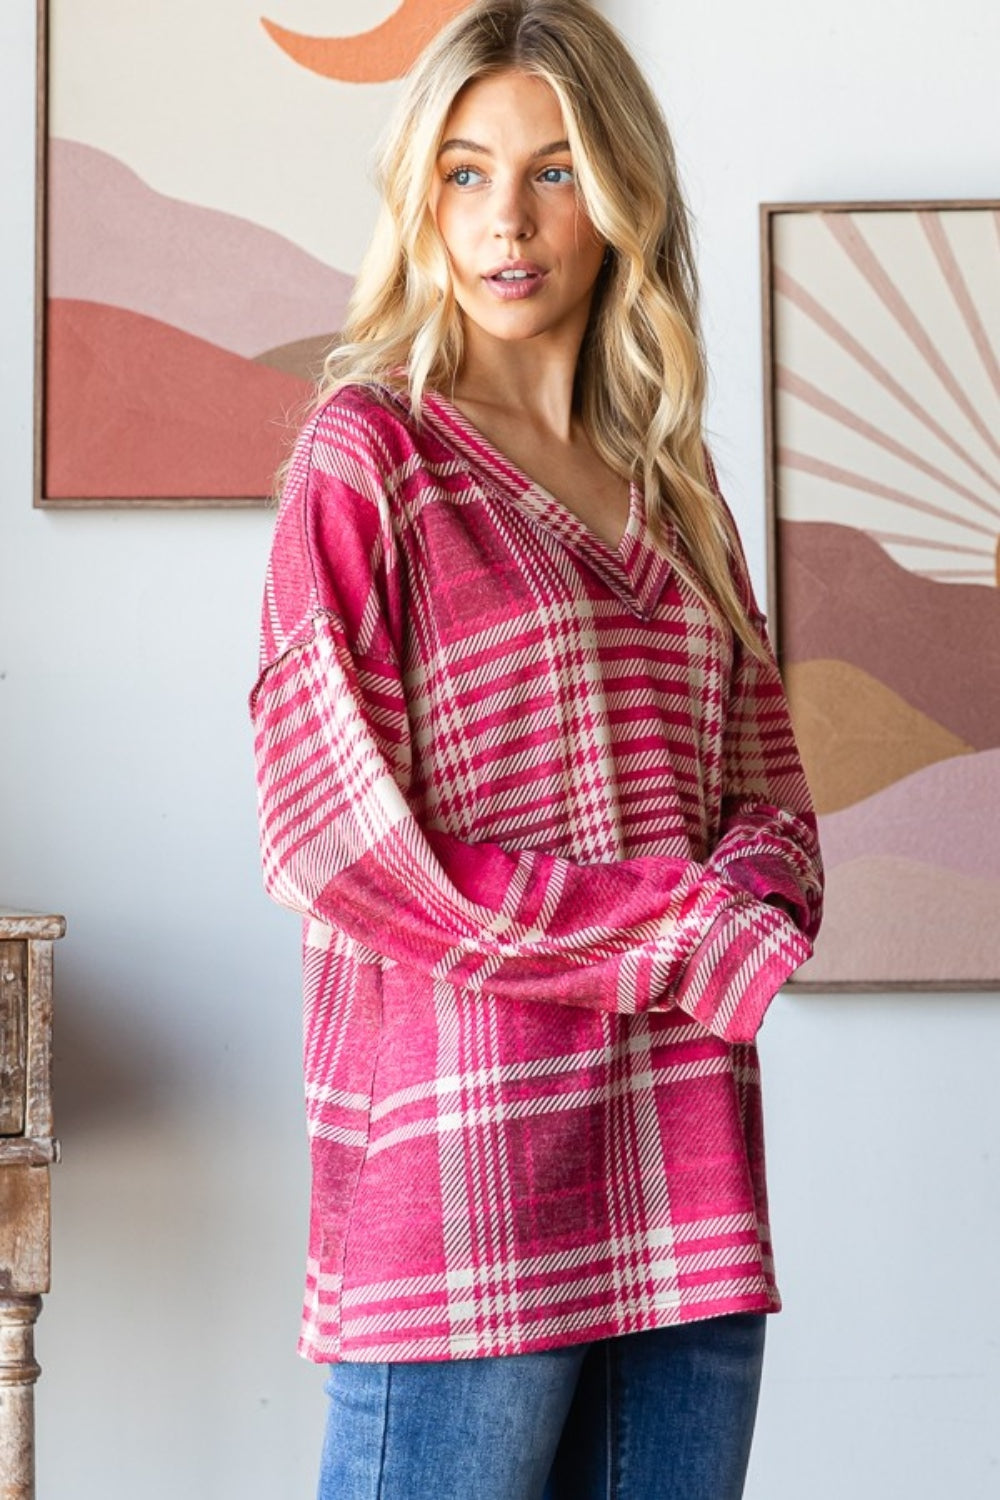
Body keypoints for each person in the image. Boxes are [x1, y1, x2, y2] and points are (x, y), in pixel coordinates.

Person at [250, 2, 823, 1496]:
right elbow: (339, 844)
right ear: (419, 197)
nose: (508, 219)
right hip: (465, 1189)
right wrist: (678, 928)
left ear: (621, 193)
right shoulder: (371, 454)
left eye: (556, 170)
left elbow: (768, 790)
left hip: (686, 1172)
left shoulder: (672, 475)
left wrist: (745, 898)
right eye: (464, 171)